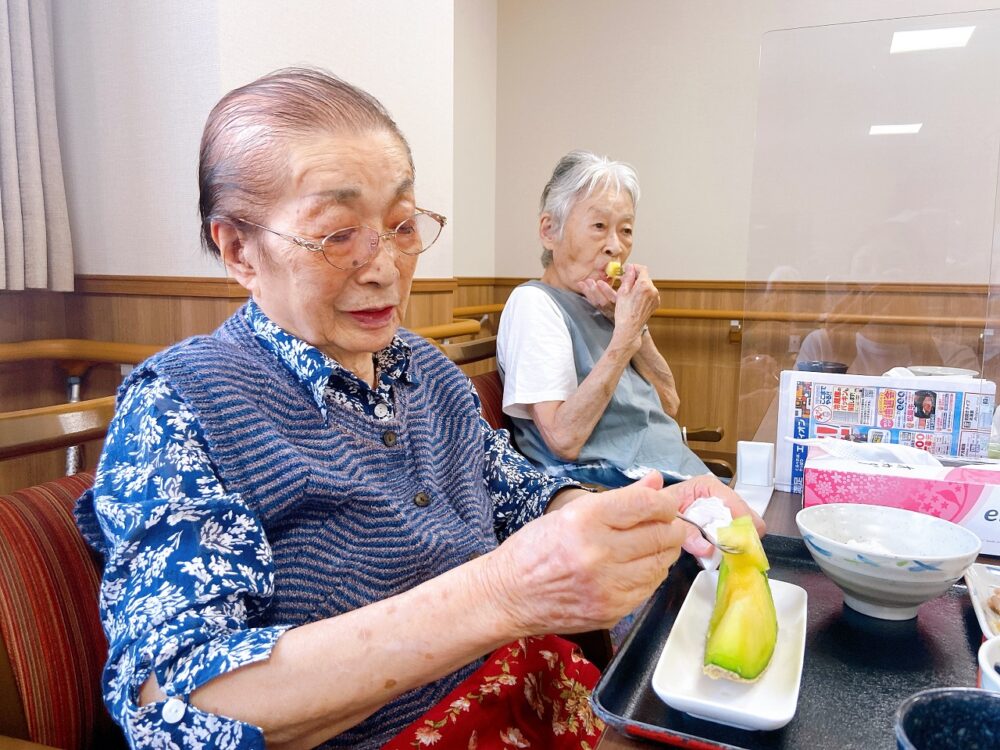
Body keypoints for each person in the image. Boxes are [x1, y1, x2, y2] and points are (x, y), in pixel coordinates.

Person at [74, 69, 762, 749]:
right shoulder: (181, 403)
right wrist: (502, 593)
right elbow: (175, 710)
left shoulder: (423, 368)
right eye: (338, 233)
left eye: (402, 226)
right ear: (238, 250)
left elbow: (517, 490)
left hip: (529, 697)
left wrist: (638, 512)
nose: (385, 267)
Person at [496, 150, 710, 489]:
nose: (616, 246)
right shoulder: (534, 304)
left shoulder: (604, 305)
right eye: (599, 226)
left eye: (625, 230)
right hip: (610, 487)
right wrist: (625, 336)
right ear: (550, 231)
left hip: (669, 472)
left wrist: (634, 326)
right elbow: (563, 440)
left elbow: (670, 404)